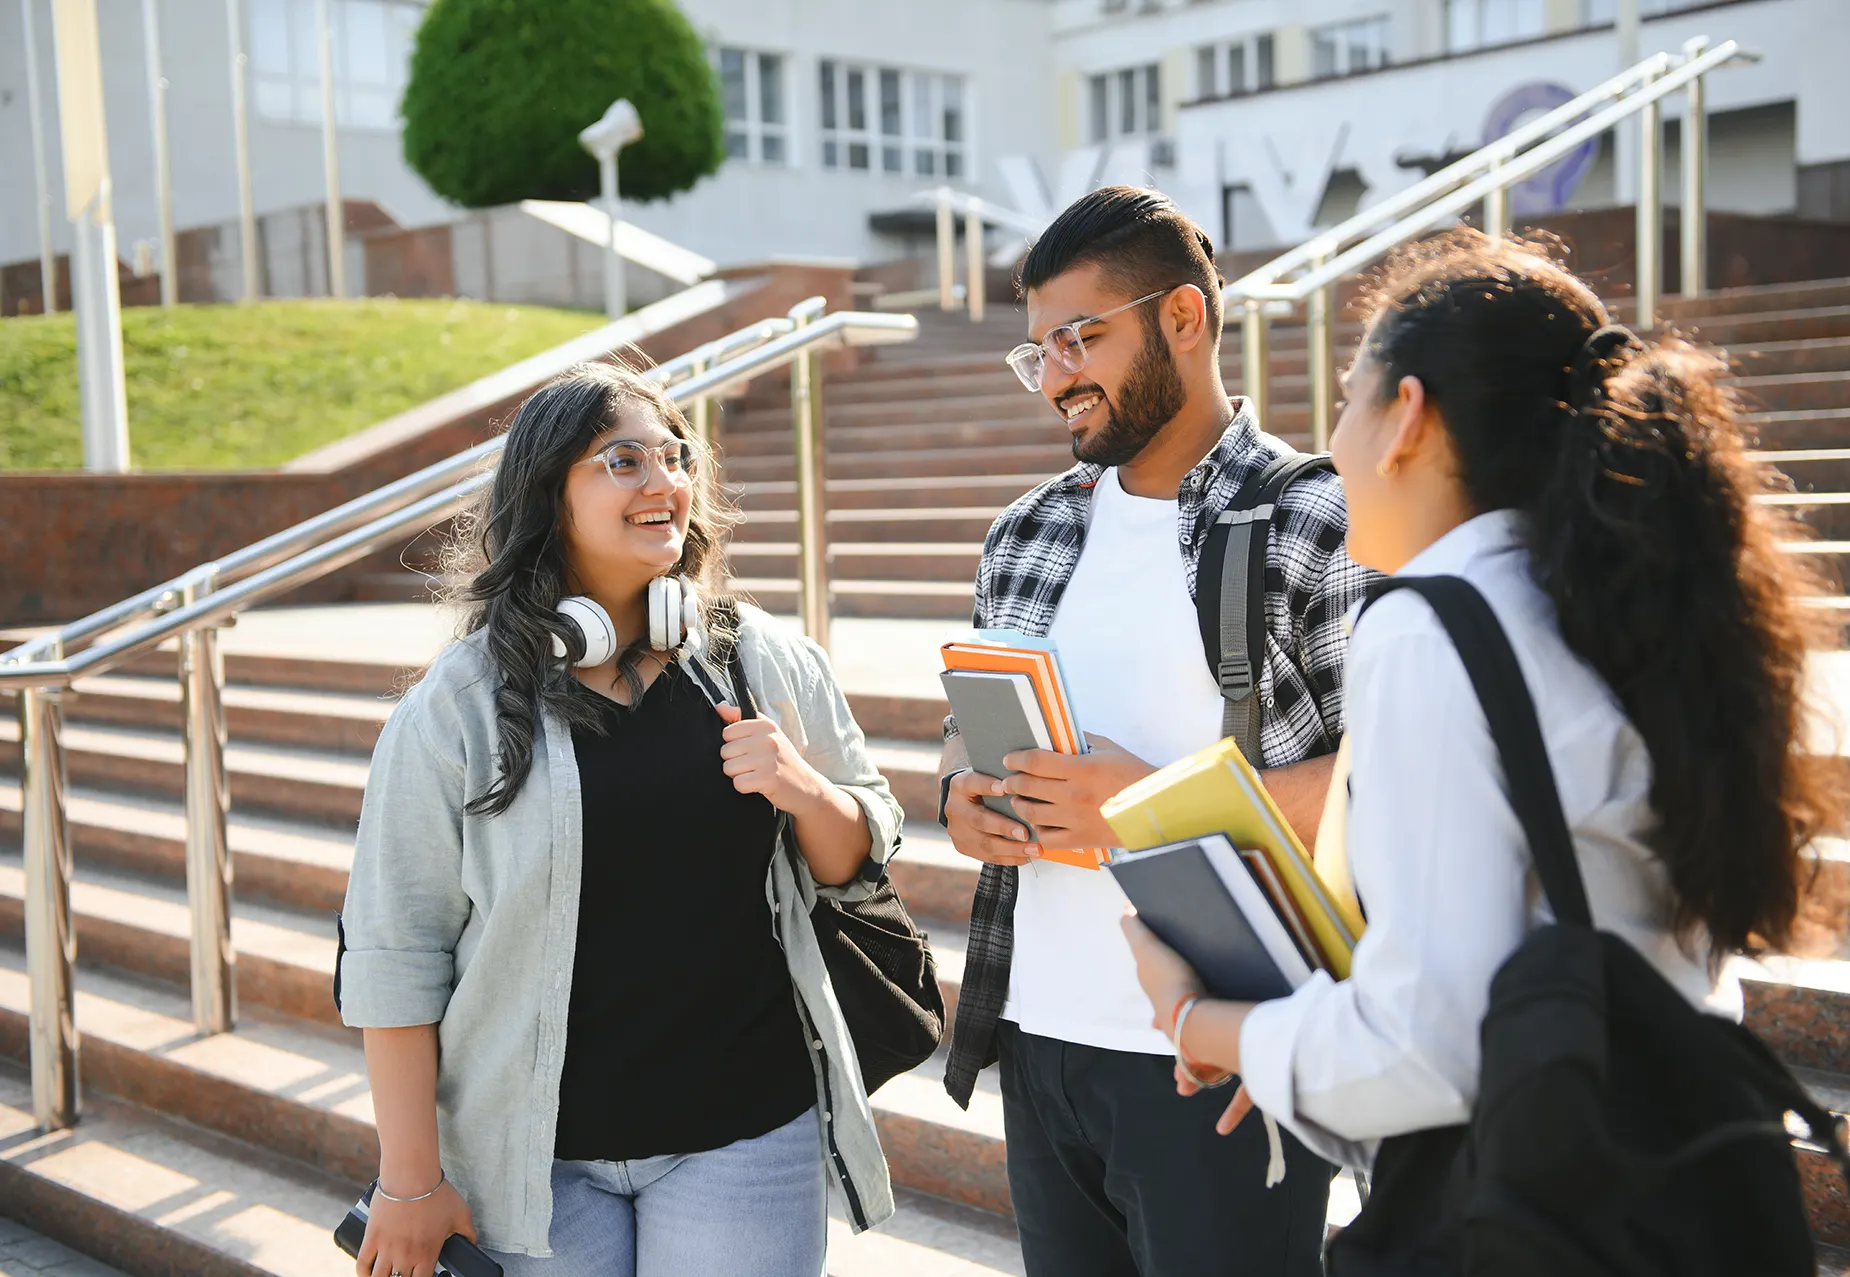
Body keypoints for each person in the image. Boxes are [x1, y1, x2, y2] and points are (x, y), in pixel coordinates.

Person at [1123, 230, 1850, 1244]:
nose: (1331, 439)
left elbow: (1429, 1044)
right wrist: (1295, 1040)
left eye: (1348, 396)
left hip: (1532, 1208)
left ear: (1408, 418)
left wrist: (1198, 1020)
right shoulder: (1610, 602)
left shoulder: (1433, 626)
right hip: (1655, 1179)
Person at [336, 362, 903, 1277]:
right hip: (536, 1164)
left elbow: (857, 857)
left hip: (747, 1135)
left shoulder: (761, 656)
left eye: (676, 455)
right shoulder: (457, 706)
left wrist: (806, 789)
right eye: (623, 459)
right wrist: (409, 1179)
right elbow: (395, 953)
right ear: (548, 497)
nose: (664, 481)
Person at [939, 185, 1376, 1276]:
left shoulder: (1314, 517)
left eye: (1081, 337)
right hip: (1041, 1035)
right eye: (1036, 349)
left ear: (1185, 319)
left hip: (1220, 1049)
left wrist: (1143, 805)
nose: (1055, 376)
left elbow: (1408, 772)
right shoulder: (1027, 525)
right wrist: (962, 790)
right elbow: (972, 720)